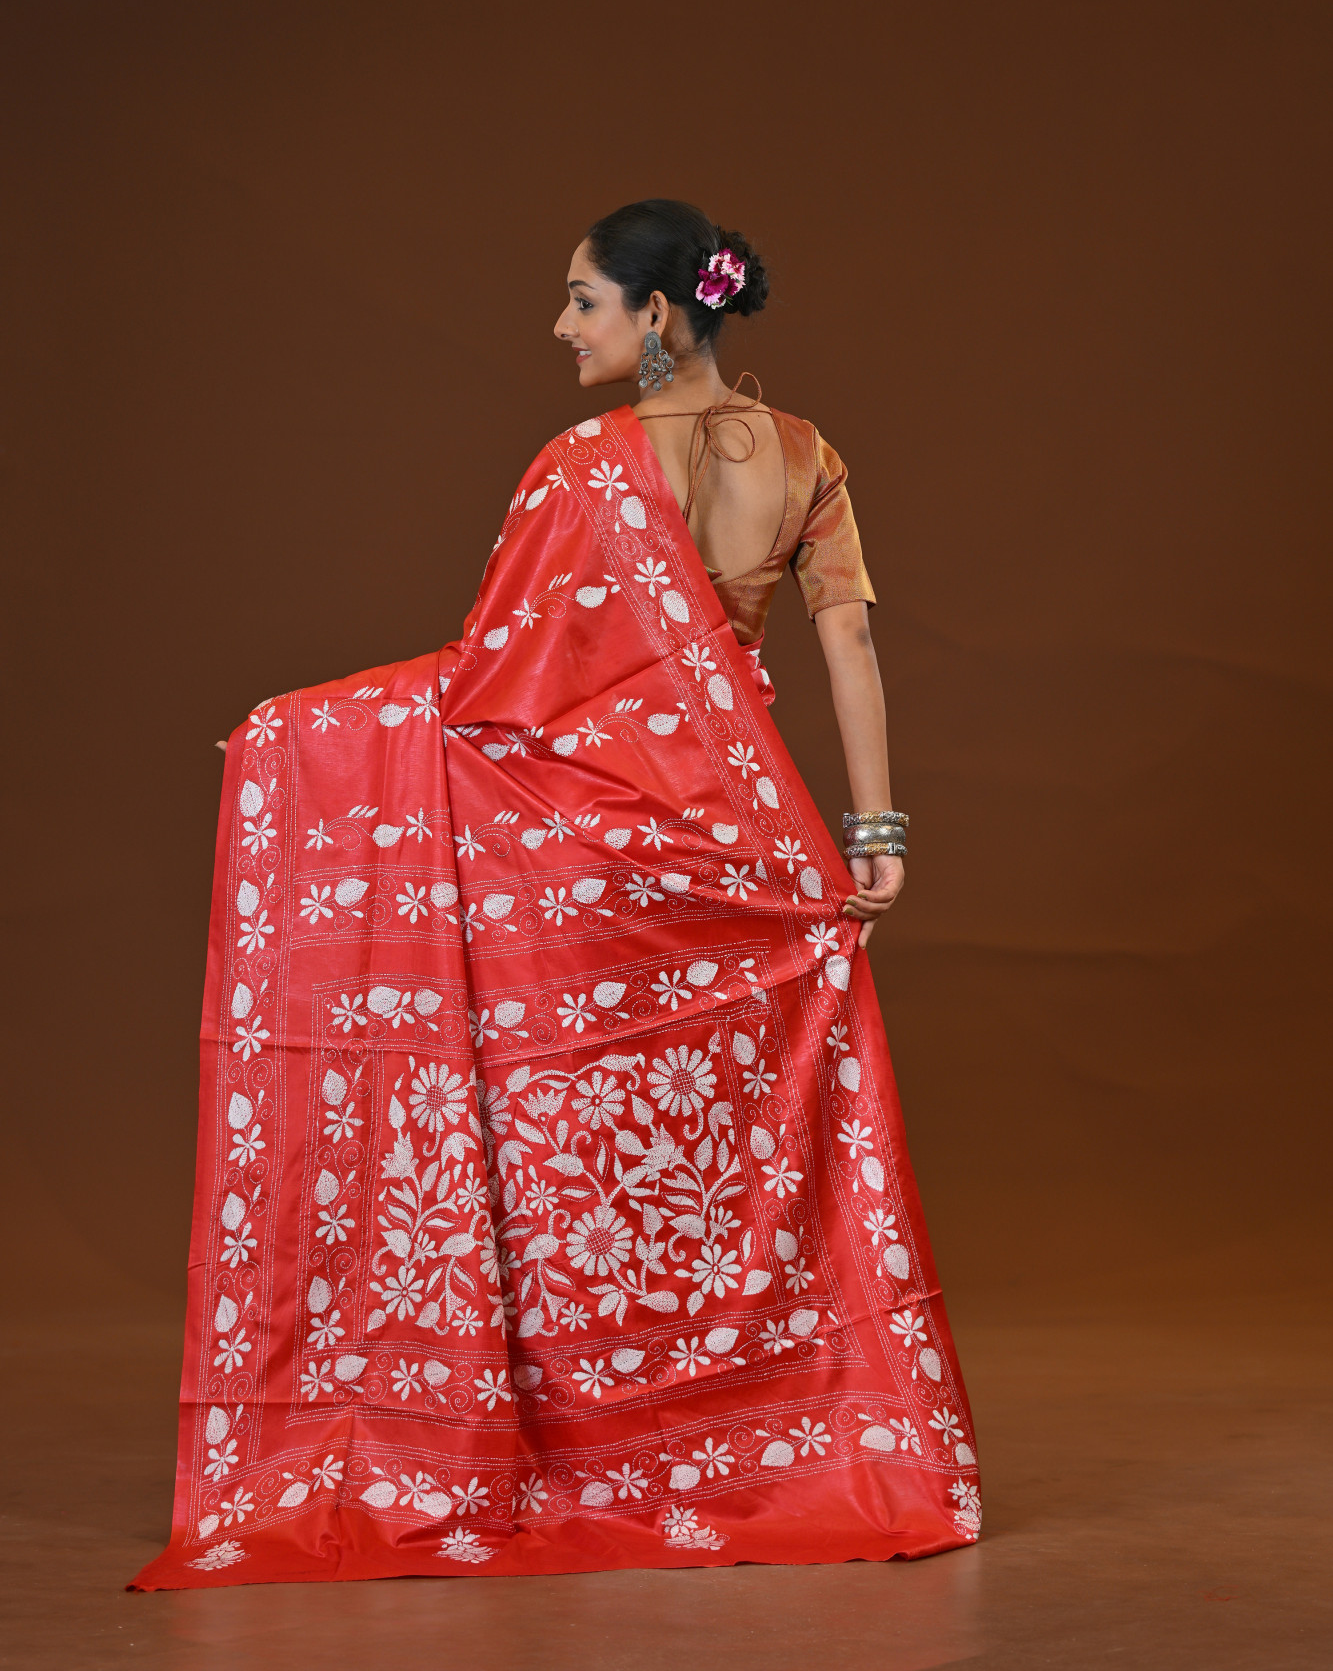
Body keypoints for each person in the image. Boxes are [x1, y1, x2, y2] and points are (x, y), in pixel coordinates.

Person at [134, 199, 980, 1590]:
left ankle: (579, 1451)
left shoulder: (580, 465)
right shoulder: (807, 456)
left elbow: (495, 690)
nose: (561, 326)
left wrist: (300, 735)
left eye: (584, 300)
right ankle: (740, 1446)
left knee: (566, 1150)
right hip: (740, 845)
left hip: (580, 851)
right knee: (722, 1161)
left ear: (659, 314)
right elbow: (849, 648)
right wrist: (872, 828)